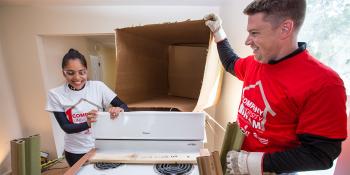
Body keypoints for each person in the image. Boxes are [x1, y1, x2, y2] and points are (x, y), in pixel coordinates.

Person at [204, 0, 347, 174]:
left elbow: (321, 155)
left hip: (274, 170)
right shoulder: (255, 63)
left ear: (285, 29)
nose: (247, 41)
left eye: (255, 33)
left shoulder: (324, 83)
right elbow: (230, 63)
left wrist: (253, 163)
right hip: (239, 159)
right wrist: (218, 32)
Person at [45, 48, 129, 167]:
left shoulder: (98, 87)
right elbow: (66, 127)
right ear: (63, 72)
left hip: (101, 147)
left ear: (87, 70)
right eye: (70, 73)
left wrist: (119, 110)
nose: (77, 78)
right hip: (75, 151)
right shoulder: (56, 94)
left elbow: (124, 106)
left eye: (81, 72)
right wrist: (88, 123)